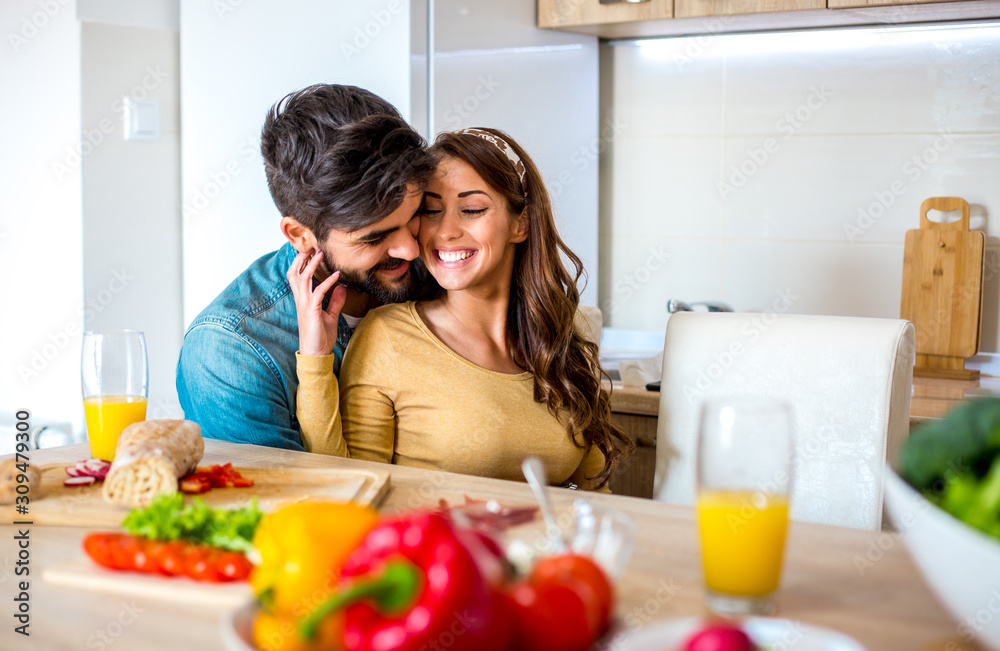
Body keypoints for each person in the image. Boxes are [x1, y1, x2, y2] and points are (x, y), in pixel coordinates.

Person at [290, 128, 633, 490]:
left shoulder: (561, 341)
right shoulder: (387, 336)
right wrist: (315, 363)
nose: (445, 231)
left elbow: (596, 497)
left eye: (471, 210)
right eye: (431, 211)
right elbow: (345, 491)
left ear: (521, 224)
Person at [175, 84, 436, 450]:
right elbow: (287, 499)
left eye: (416, 215)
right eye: (374, 238)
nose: (410, 249)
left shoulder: (442, 273)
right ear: (300, 235)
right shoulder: (230, 351)